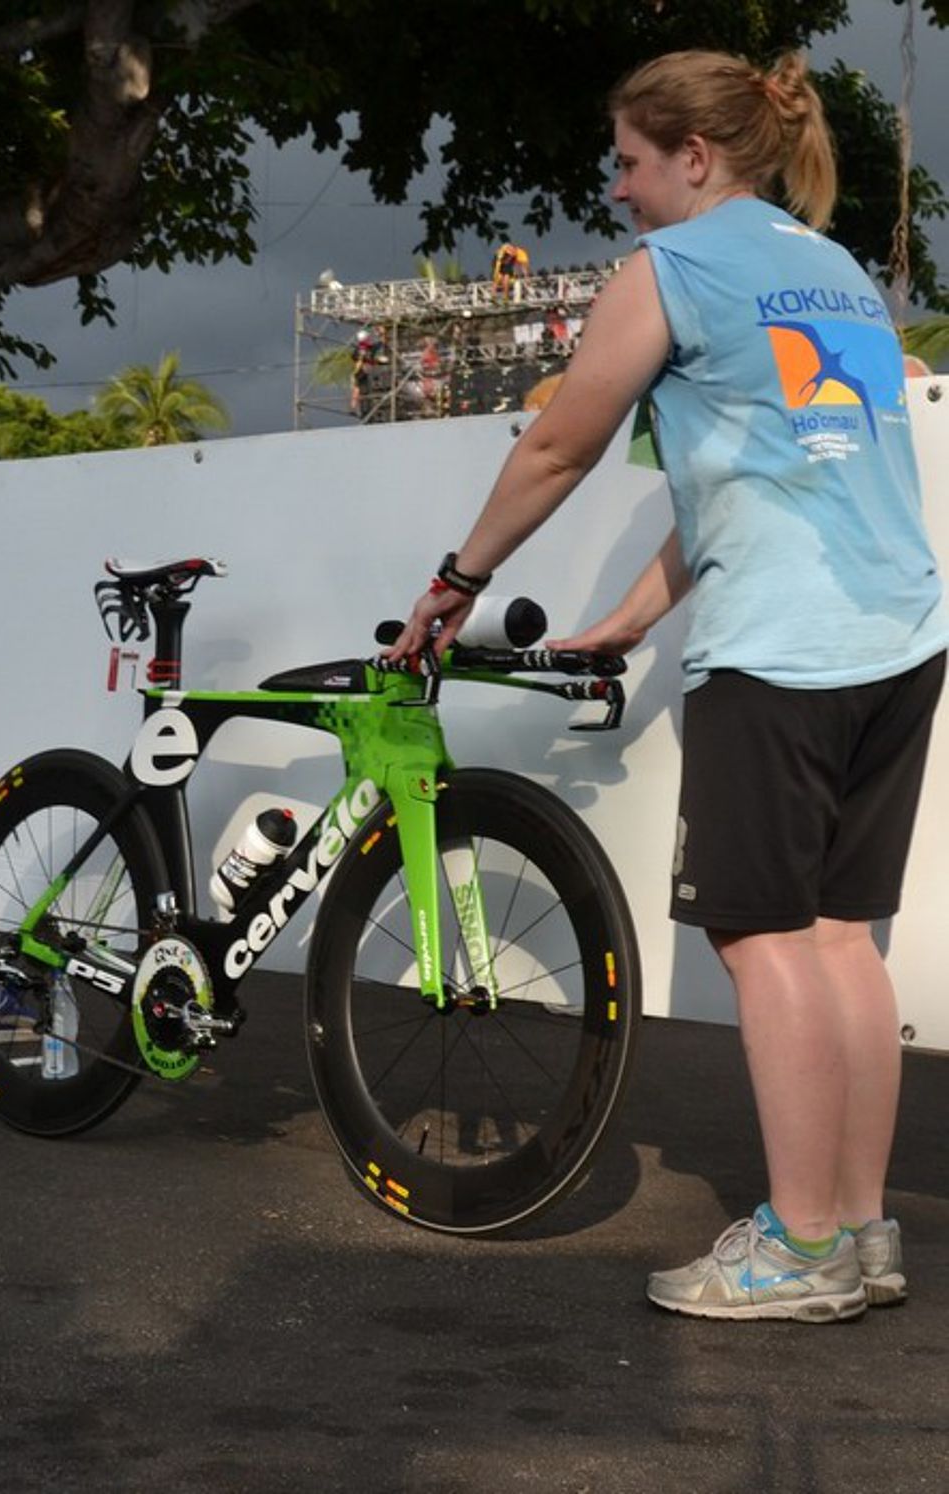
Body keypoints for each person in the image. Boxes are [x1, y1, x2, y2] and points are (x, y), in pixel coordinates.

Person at [390, 49, 948, 1323]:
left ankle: (798, 1248)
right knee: (838, 941)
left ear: (694, 157)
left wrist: (456, 578)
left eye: (632, 162)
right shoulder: (832, 269)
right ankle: (859, 1232)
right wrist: (625, 624)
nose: (619, 187)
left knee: (765, 943)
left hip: (784, 650)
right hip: (896, 634)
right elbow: (758, 478)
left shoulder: (675, 270)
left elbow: (557, 442)